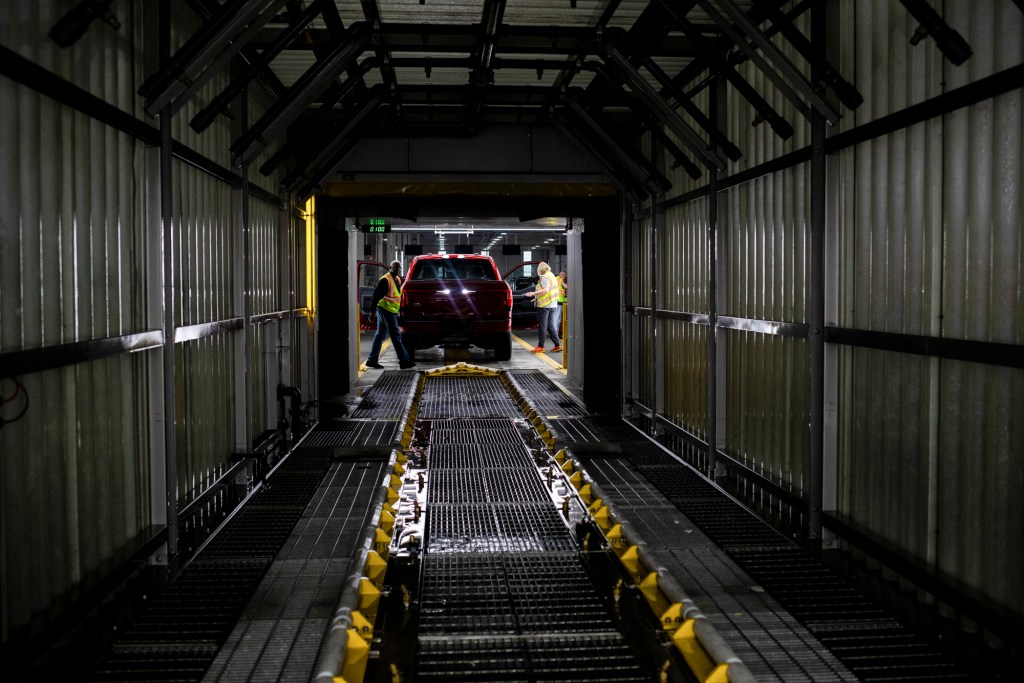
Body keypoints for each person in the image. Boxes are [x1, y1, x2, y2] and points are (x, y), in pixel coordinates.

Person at [365, 260, 416, 369]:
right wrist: (372, 312)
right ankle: (404, 360)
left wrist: (399, 311)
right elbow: (375, 296)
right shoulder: (385, 279)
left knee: (380, 335)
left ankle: (372, 360)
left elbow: (396, 297)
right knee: (395, 335)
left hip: (391, 310)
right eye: (395, 267)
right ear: (390, 267)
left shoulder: (397, 279)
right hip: (385, 309)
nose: (397, 269)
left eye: (399, 267)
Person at [524, 261, 562, 353]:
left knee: (543, 325)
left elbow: (545, 290)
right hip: (553, 303)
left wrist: (533, 293)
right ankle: (557, 345)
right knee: (550, 325)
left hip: (545, 305)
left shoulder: (544, 277)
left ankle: (540, 346)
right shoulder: (552, 275)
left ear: (540, 269)